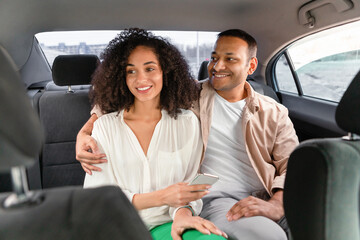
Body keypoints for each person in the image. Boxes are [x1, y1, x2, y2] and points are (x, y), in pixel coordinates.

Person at [77, 29, 299, 240]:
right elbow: (131, 95)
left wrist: (277, 204)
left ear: (251, 66)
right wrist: (86, 131)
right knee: (270, 236)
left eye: (230, 59)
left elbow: (292, 164)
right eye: (214, 58)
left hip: (267, 194)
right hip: (217, 199)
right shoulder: (192, 96)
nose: (217, 65)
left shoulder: (275, 112)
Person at [82, 28, 227, 240]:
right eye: (131, 71)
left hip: (167, 226)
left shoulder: (188, 123)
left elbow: (188, 189)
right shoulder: (105, 127)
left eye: (150, 68)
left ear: (165, 72)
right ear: (120, 77)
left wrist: (182, 216)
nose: (141, 79)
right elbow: (98, 199)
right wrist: (161, 197)